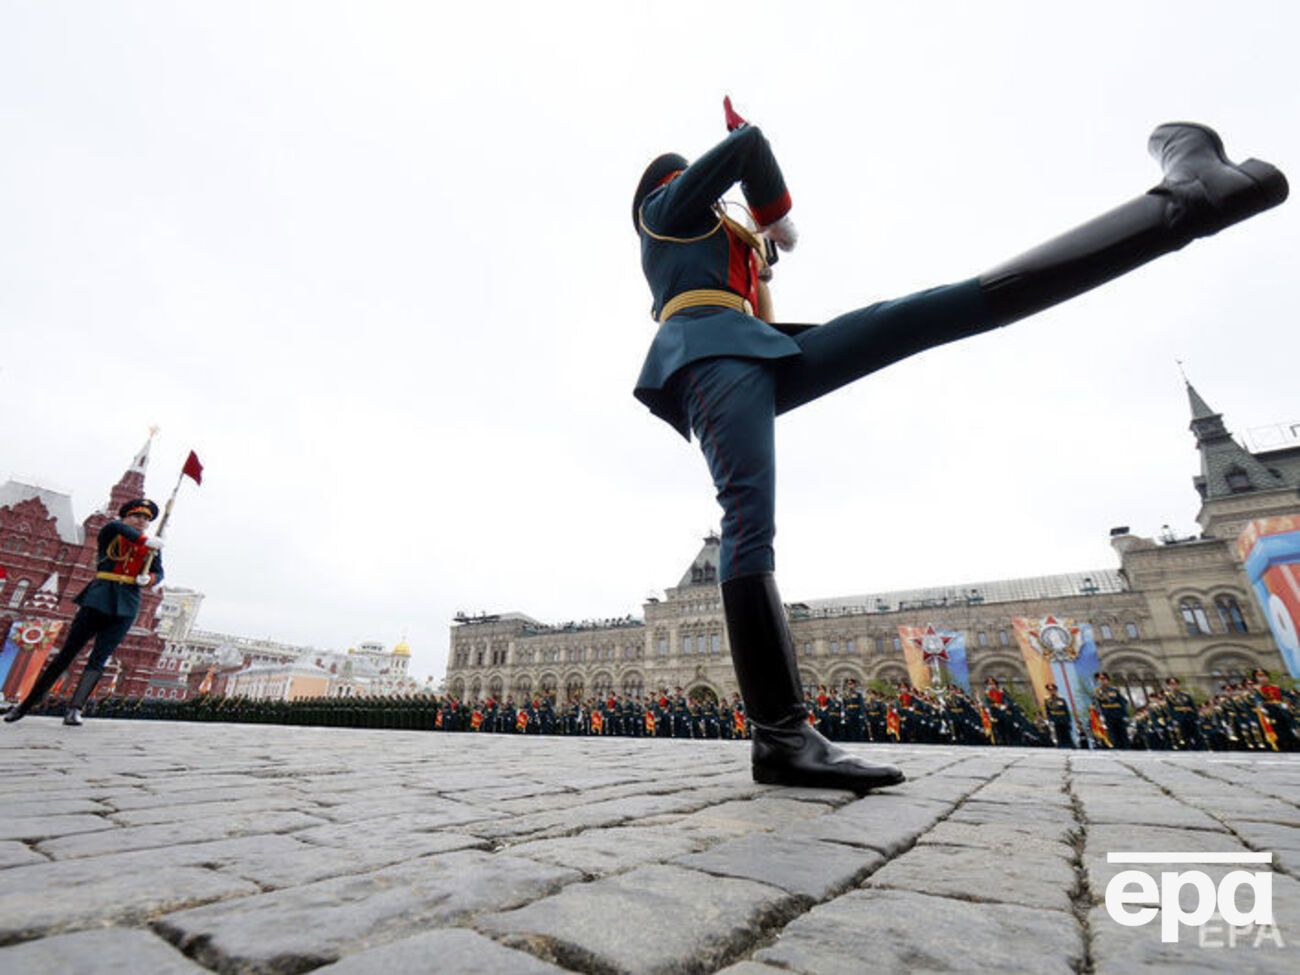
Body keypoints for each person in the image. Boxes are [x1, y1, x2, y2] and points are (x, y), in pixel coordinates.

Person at [632, 99, 1285, 789]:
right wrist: (771, 217)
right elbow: (750, 147)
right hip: (707, 353)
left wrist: (759, 260)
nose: (710, 199)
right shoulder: (666, 210)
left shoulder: (714, 245)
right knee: (747, 518)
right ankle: (781, 735)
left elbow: (759, 315)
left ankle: (1187, 205)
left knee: (925, 313)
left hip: (754, 348)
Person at [4, 499, 165, 726]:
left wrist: (149, 578)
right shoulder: (112, 532)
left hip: (126, 605)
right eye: (137, 516)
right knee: (66, 654)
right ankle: (26, 705)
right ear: (126, 517)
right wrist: (145, 540)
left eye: (147, 519)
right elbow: (115, 527)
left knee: (99, 660)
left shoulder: (151, 548)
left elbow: (159, 572)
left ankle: (75, 709)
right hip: (98, 598)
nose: (142, 522)